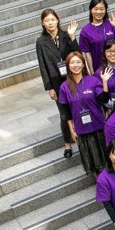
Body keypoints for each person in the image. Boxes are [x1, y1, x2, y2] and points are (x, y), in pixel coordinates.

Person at [35, 9, 79, 158]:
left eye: (52, 20)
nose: (50, 23)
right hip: (56, 82)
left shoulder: (66, 35)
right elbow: (43, 65)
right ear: (43, 23)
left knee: (77, 108)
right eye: (47, 21)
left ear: (57, 20)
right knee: (63, 114)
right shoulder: (41, 42)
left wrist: (73, 37)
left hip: (73, 79)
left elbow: (78, 54)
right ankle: (67, 144)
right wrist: (49, 88)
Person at [58, 51, 110, 177]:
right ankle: (100, 183)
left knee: (106, 158)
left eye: (78, 62)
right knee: (92, 162)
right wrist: (71, 130)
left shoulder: (92, 80)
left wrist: (105, 83)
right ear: (68, 66)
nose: (75, 65)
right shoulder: (64, 87)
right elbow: (65, 113)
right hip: (82, 129)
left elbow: (103, 98)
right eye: (72, 63)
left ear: (83, 64)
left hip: (98, 125)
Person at [79, 0, 115, 73]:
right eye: (96, 9)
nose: (99, 12)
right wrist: (92, 72)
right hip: (99, 69)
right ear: (90, 10)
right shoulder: (85, 31)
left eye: (101, 9)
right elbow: (87, 54)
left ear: (105, 10)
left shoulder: (111, 23)